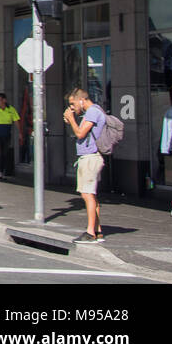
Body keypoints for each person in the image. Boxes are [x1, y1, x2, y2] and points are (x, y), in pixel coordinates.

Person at [63, 88, 107, 243]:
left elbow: (80, 134)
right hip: (88, 157)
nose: (72, 108)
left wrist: (72, 119)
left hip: (90, 158)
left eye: (73, 104)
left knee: (87, 194)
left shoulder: (92, 112)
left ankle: (90, 233)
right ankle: (97, 229)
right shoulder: (91, 113)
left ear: (81, 100)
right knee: (90, 194)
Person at [0, 92, 20, 181]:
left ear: (4, 100)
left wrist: (20, 132)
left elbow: (17, 121)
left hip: (6, 133)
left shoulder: (11, 109)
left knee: (5, 153)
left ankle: (4, 171)